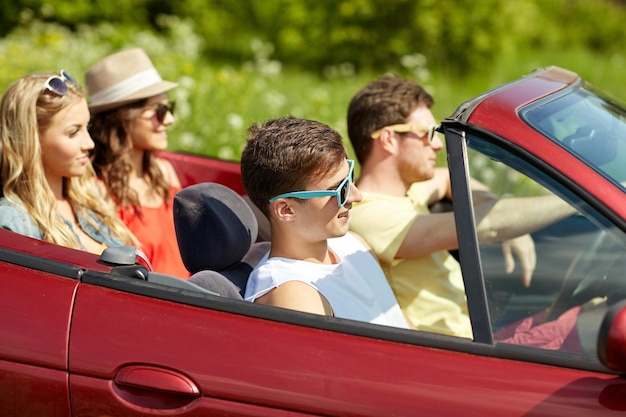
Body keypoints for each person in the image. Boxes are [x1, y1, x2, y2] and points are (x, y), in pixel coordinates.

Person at [346, 75, 578, 340]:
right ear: (388, 139)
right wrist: (577, 199)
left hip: (480, 334)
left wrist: (493, 206)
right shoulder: (367, 215)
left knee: (588, 314)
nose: (436, 144)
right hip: (455, 349)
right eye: (426, 134)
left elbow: (446, 179)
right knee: (590, 326)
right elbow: (484, 226)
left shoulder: (408, 188)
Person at [241, 116, 411, 329]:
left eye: (350, 178)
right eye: (339, 190)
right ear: (286, 210)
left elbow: (401, 324)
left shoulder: (354, 244)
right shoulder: (294, 293)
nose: (356, 196)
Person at [0, 71, 136, 253]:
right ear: (32, 141)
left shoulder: (90, 199)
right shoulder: (13, 222)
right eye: (73, 132)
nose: (89, 143)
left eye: (87, 128)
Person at [85, 48, 189, 278]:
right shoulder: (97, 189)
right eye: (159, 111)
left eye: (169, 108)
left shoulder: (164, 172)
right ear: (122, 117)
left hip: (194, 296)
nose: (169, 120)